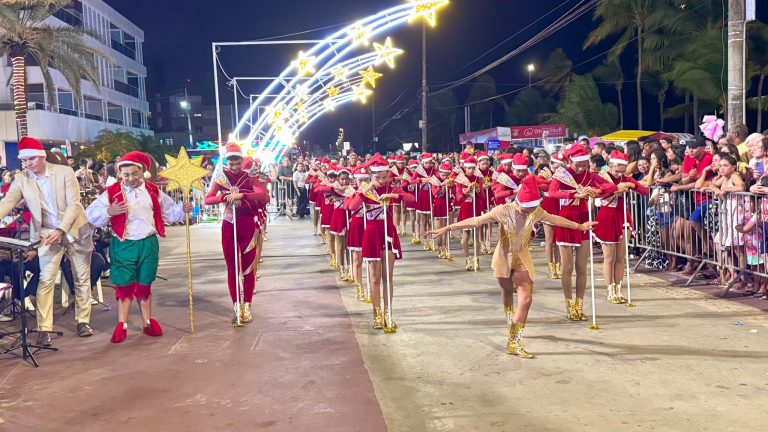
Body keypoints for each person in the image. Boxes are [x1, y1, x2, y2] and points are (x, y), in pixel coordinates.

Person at [428, 175, 597, 358]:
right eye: (527, 208)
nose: (530, 212)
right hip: (503, 257)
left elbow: (554, 219)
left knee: (526, 299)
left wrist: (579, 227)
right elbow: (476, 221)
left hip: (522, 258)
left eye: (532, 208)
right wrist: (447, 228)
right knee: (507, 292)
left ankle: (513, 341)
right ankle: (510, 320)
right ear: (519, 202)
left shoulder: (536, 211)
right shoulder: (503, 210)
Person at [86, 151, 192, 343]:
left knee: (145, 283)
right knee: (124, 285)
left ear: (142, 172)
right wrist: (109, 211)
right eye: (126, 174)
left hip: (148, 243)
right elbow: (91, 213)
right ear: (120, 174)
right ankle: (122, 324)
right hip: (124, 244)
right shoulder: (111, 192)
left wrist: (182, 209)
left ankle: (147, 321)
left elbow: (169, 210)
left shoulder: (152, 190)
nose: (131, 178)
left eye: (135, 173)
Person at [0, 137, 94, 345]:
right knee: (46, 279)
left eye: (32, 159)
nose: (28, 163)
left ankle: (83, 320)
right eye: (24, 160)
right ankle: (44, 328)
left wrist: (61, 229)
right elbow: (7, 202)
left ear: (42, 157)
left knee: (81, 277)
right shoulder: (22, 179)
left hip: (74, 229)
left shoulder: (64, 172)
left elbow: (75, 205)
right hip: (46, 234)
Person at [548, 146, 618, 321]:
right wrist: (574, 195)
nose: (581, 168)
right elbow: (552, 192)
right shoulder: (562, 174)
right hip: (566, 220)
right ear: (570, 161)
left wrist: (596, 191)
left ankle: (579, 305)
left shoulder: (590, 175)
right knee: (567, 267)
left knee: (581, 267)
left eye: (585, 164)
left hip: (585, 220)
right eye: (578, 165)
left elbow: (611, 186)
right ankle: (569, 305)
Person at [204, 144, 269, 325]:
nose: (234, 165)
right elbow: (208, 199)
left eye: (237, 162)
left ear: (242, 160)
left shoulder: (250, 177)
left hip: (247, 225)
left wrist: (241, 195)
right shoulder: (221, 178)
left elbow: (261, 195)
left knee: (248, 269)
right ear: (226, 161)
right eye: (231, 162)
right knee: (232, 269)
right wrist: (224, 197)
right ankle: (236, 307)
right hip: (229, 226)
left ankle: (247, 306)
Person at [348, 154, 414, 331]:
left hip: (388, 233)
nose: (382, 180)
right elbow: (352, 206)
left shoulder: (391, 187)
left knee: (388, 277)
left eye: (385, 177)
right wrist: (368, 187)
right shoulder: (365, 189)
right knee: (374, 277)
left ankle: (388, 313)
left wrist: (393, 195)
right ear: (371, 175)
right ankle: (376, 313)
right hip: (371, 234)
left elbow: (411, 198)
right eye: (378, 177)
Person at [594, 151, 650, 303]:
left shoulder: (626, 179)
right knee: (609, 257)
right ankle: (610, 290)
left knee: (620, 257)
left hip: (623, 218)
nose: (619, 174)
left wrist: (631, 184)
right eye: (616, 170)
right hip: (607, 218)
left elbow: (645, 191)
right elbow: (598, 195)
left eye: (622, 171)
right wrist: (615, 189)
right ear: (610, 165)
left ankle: (618, 290)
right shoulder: (601, 177)